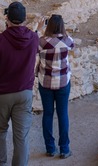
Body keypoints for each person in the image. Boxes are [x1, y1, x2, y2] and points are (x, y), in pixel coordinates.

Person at [0, 1, 39, 166]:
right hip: (24, 92)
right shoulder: (33, 38)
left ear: (7, 18)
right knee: (21, 135)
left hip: (1, 93)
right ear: (24, 19)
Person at [37, 14, 75, 159]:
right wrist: (63, 31)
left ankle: (50, 148)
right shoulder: (66, 41)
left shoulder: (41, 42)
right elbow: (72, 44)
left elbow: (31, 46)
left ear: (49, 25)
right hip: (63, 82)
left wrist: (39, 29)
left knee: (47, 114)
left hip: (45, 82)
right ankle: (64, 149)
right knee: (62, 114)